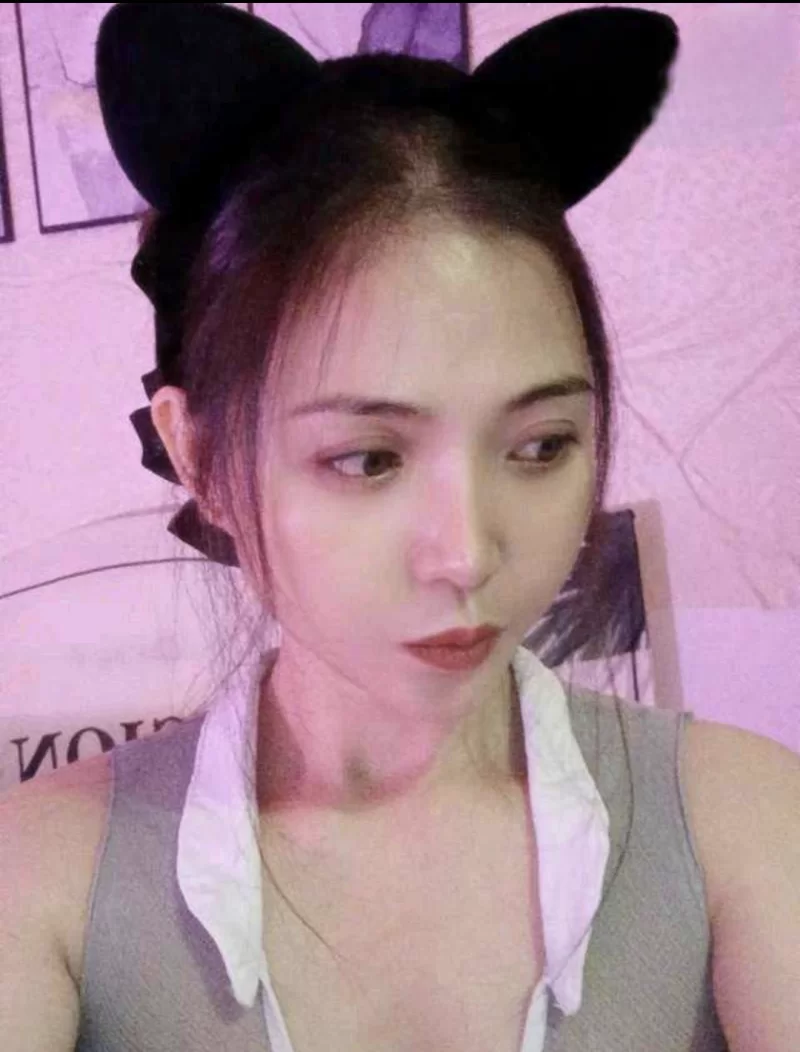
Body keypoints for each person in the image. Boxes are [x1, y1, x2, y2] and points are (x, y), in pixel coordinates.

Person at [1, 4, 797, 1050]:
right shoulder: (44, 880)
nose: (467, 553)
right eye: (368, 459)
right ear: (200, 459)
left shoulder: (743, 825)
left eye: (539, 446)